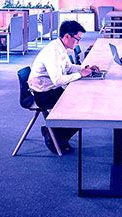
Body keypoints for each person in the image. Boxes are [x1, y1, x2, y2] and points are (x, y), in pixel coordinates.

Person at [28, 20, 98, 153]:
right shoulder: (52, 52)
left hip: (51, 89)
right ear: (67, 36)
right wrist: (81, 75)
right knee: (83, 108)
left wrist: (85, 68)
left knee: (85, 101)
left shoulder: (61, 47)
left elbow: (68, 67)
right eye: (77, 39)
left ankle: (56, 132)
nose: (78, 42)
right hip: (44, 94)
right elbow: (58, 80)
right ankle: (54, 135)